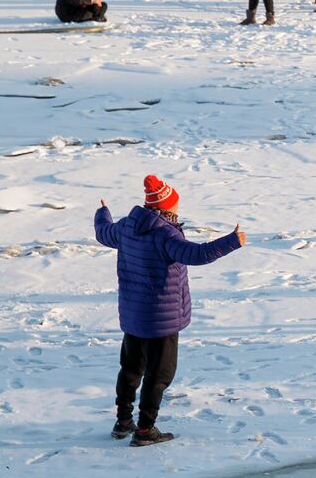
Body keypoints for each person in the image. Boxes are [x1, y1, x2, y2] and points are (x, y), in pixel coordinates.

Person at [92, 174, 246, 446]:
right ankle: (144, 431)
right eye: (175, 203)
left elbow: (104, 232)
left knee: (130, 369)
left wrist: (103, 211)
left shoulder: (128, 226)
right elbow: (196, 254)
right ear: (166, 206)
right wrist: (232, 241)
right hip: (161, 321)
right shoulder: (165, 234)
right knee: (159, 374)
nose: (177, 207)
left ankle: (123, 422)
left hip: (132, 316)